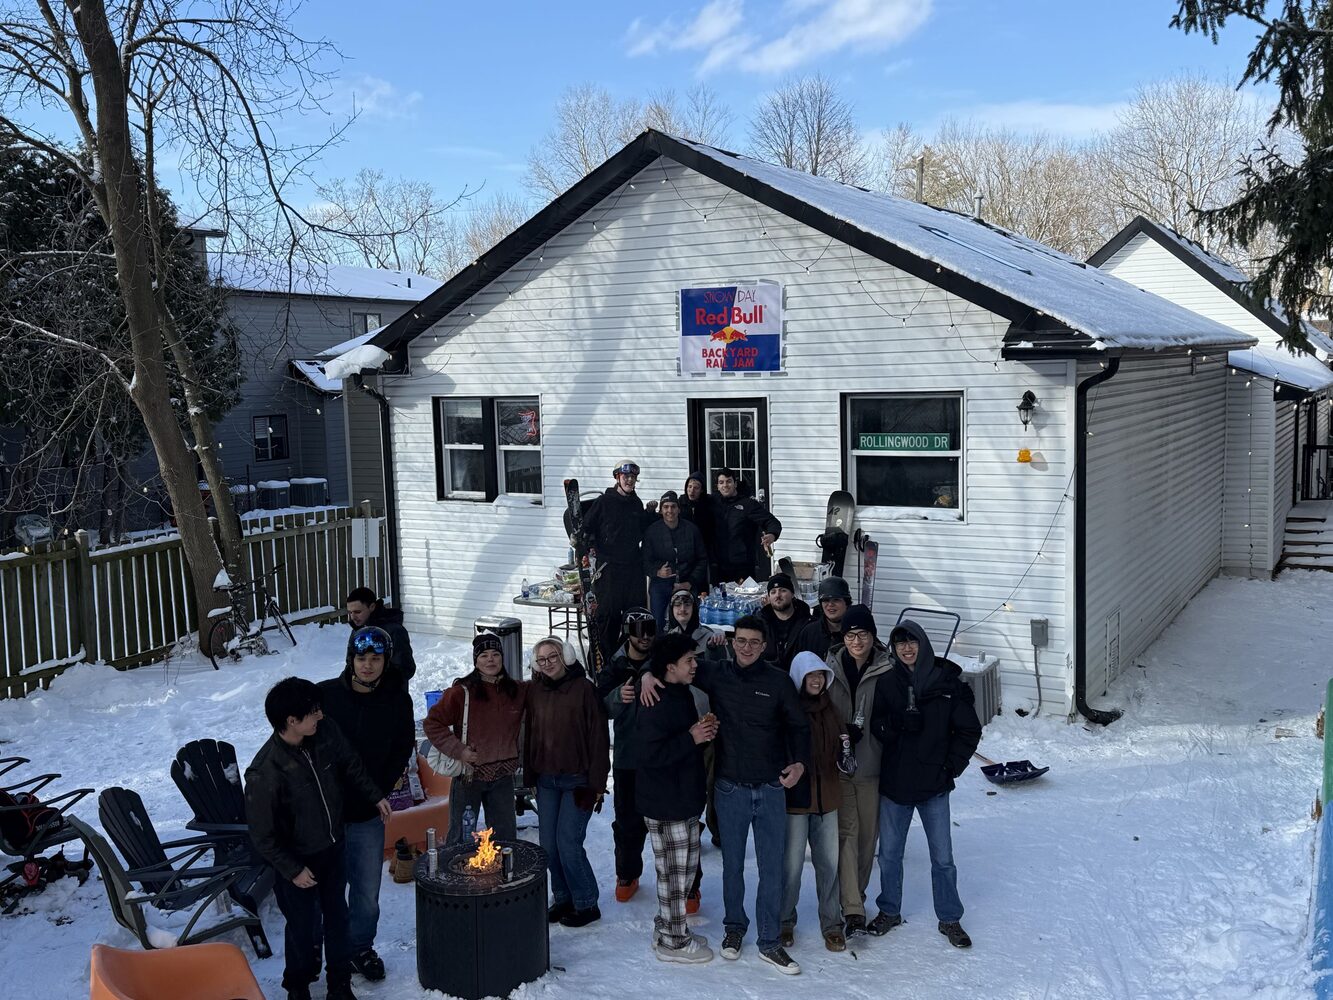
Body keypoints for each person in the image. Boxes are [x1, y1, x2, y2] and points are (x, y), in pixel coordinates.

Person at [641, 615, 810, 975]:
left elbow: (799, 726)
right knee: (732, 866)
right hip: (730, 787)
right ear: (732, 643)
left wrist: (799, 763)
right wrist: (643, 676)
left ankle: (770, 940)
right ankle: (734, 928)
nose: (746, 647)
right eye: (741, 640)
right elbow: (668, 661)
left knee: (771, 866)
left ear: (764, 646)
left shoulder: (779, 681)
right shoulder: (715, 672)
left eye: (754, 642)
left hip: (771, 787)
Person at [245, 677, 391, 1000]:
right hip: (297, 861)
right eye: (313, 712)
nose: (320, 716)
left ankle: (339, 984)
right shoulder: (266, 771)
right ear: (291, 721)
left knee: (338, 919)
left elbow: (350, 763)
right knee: (302, 927)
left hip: (332, 849)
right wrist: (293, 869)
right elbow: (262, 835)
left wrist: (374, 795)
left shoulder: (324, 733)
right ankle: (298, 986)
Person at [868, 620, 982, 947]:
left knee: (942, 858)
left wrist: (951, 767)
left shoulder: (945, 683)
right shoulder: (887, 683)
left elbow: (969, 730)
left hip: (934, 785)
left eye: (912, 641)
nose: (907, 648)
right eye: (900, 643)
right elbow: (877, 726)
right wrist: (897, 723)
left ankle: (950, 917)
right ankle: (889, 910)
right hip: (896, 784)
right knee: (889, 855)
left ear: (923, 644)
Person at [316, 627, 415, 984]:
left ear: (386, 661)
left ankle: (360, 948)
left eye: (376, 658)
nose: (368, 665)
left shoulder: (397, 700)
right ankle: (324, 951)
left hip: (366, 812)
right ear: (351, 660)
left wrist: (378, 789)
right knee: (324, 889)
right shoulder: (325, 696)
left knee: (366, 891)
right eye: (361, 658)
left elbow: (402, 746)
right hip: (324, 813)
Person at [636, 632, 719, 964]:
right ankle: (674, 943)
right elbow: (649, 755)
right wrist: (691, 737)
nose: (695, 665)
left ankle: (668, 927)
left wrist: (700, 734)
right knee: (673, 875)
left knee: (683, 872)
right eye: (689, 660)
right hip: (664, 802)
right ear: (670, 667)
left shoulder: (679, 691)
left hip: (683, 797)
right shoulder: (654, 700)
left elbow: (680, 742)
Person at [527, 636, 611, 928]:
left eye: (553, 656)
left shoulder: (585, 689)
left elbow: (599, 738)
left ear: (566, 657)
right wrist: (530, 776)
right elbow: (529, 734)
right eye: (542, 659)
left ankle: (586, 902)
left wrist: (597, 784)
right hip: (546, 781)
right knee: (549, 846)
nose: (548, 663)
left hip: (578, 781)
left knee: (568, 843)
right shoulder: (535, 691)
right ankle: (563, 898)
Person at [823, 604, 894, 938]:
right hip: (838, 766)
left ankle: (856, 896)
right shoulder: (829, 667)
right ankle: (852, 909)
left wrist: (880, 730)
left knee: (867, 839)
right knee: (847, 834)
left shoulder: (888, 668)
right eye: (850, 635)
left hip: (871, 765)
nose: (856, 641)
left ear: (872, 636)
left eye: (862, 634)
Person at [424, 631, 528, 845]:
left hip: (503, 778)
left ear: (502, 658)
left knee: (505, 840)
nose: (490, 660)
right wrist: (458, 750)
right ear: (475, 661)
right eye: (484, 655)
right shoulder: (462, 692)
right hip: (469, 776)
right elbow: (432, 723)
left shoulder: (517, 691)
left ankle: (502, 868)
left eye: (495, 654)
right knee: (460, 839)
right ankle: (458, 868)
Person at [781, 651, 849, 953]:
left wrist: (847, 750)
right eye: (810, 675)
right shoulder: (788, 709)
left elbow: (842, 748)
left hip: (828, 798)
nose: (817, 680)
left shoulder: (831, 709)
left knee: (829, 865)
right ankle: (784, 920)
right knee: (791, 866)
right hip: (797, 800)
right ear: (799, 678)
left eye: (820, 674)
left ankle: (832, 923)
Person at [596, 608, 655, 903]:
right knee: (627, 821)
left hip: (665, 755)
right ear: (627, 633)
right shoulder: (615, 665)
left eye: (650, 630)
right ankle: (627, 873)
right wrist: (618, 697)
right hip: (628, 755)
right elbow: (599, 707)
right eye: (638, 631)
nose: (645, 637)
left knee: (676, 822)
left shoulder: (664, 659)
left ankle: (687, 881)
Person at [583, 460, 657, 662]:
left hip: (632, 569)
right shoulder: (604, 502)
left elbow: (641, 531)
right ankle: (602, 666)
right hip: (610, 570)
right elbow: (586, 528)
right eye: (626, 477)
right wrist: (587, 546)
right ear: (617, 477)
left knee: (634, 619)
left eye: (633, 477)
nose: (630, 480)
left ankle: (630, 662)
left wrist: (649, 514)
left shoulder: (636, 503)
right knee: (609, 619)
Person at [642, 490, 708, 630]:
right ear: (661, 510)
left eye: (673, 506)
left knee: (689, 623)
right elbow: (644, 561)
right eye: (666, 507)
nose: (669, 511)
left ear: (679, 509)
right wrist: (657, 572)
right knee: (657, 624)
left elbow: (702, 559)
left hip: (687, 581)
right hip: (661, 583)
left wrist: (690, 582)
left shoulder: (691, 530)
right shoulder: (652, 532)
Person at [711, 468, 781, 584]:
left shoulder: (748, 505)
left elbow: (772, 522)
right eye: (721, 482)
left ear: (735, 484)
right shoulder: (712, 502)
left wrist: (772, 534)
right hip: (718, 566)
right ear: (717, 486)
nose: (725, 485)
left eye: (729, 481)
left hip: (742, 566)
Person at [345, 587, 416, 680]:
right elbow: (350, 665)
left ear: (372, 607)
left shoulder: (394, 631)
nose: (353, 617)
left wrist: (378, 683)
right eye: (350, 612)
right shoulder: (358, 630)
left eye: (357, 612)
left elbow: (406, 668)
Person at [783, 576, 851, 670]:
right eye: (826, 600)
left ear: (846, 603)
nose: (830, 605)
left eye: (836, 600)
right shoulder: (809, 632)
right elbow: (797, 667)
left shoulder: (856, 633)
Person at [759, 572, 811, 667]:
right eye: (773, 592)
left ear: (792, 594)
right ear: (769, 597)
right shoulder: (759, 624)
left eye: (783, 591)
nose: (778, 595)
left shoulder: (808, 623)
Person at [664, 590, 728, 660]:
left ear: (694, 609)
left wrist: (713, 648)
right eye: (677, 605)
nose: (682, 609)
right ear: (672, 610)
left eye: (687, 604)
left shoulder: (710, 636)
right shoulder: (669, 638)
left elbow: (723, 663)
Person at [679, 472, 716, 579]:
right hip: (685, 548)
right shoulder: (679, 503)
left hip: (703, 548)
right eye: (689, 487)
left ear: (702, 490)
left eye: (696, 488)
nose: (692, 491)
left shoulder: (709, 503)